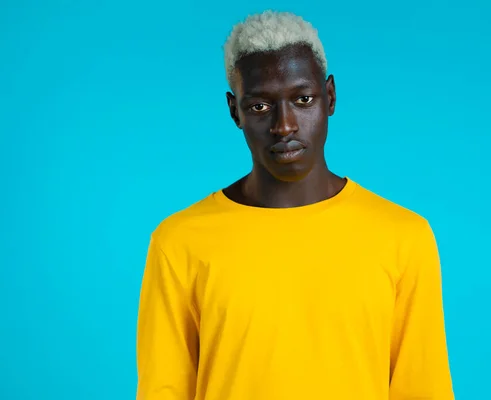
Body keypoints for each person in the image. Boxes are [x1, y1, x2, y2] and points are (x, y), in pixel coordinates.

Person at [136, 10, 454, 400]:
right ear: (234, 110)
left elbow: (423, 388)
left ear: (330, 97)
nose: (284, 125)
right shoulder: (180, 242)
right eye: (259, 106)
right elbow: (162, 389)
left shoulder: (404, 236)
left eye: (303, 98)